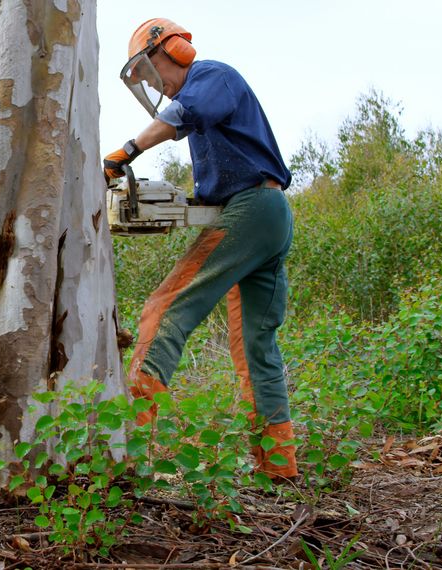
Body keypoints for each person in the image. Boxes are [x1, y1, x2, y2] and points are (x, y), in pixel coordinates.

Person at [103, 18, 297, 479]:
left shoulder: (212, 77)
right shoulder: (206, 105)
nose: (159, 88)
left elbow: (182, 115)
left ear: (174, 50)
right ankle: (280, 467)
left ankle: (126, 446)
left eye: (154, 73)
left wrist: (122, 153)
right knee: (256, 347)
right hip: (267, 213)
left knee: (165, 308)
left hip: (251, 210)